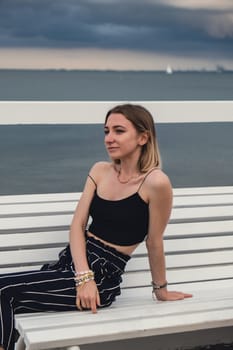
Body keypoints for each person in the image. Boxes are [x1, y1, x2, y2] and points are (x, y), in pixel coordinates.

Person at [0, 103, 192, 350]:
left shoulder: (156, 182)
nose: (109, 138)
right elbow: (77, 225)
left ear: (143, 137)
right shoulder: (100, 171)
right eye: (106, 131)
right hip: (72, 266)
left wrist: (161, 290)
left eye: (119, 131)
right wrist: (82, 276)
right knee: (7, 297)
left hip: (101, 279)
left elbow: (154, 241)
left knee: (3, 292)